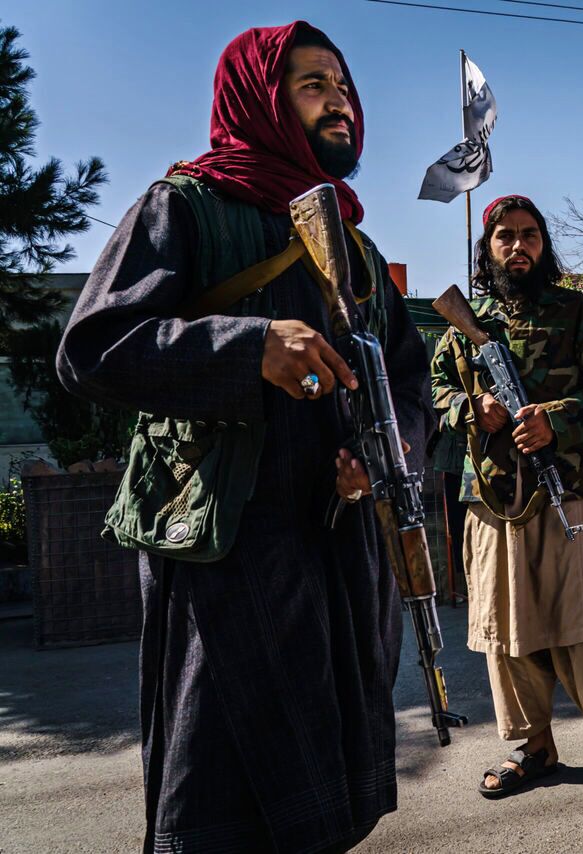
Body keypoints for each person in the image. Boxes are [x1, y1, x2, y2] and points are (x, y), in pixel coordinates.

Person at [55, 22, 428, 852]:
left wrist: (383, 453)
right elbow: (91, 349)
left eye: (342, 84)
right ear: (258, 99)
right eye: (312, 84)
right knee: (227, 793)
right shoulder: (184, 207)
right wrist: (247, 347)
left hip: (337, 555)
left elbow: (407, 375)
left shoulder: (354, 246)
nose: (339, 100)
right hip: (227, 556)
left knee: (329, 793)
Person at [429, 194, 583, 816]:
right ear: (487, 248)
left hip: (567, 490)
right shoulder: (466, 322)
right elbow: (436, 392)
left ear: (543, 244)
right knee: (508, 635)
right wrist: (474, 410)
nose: (519, 246)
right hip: (492, 499)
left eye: (530, 235)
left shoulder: (574, 310)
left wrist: (557, 424)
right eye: (505, 237)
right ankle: (535, 748)